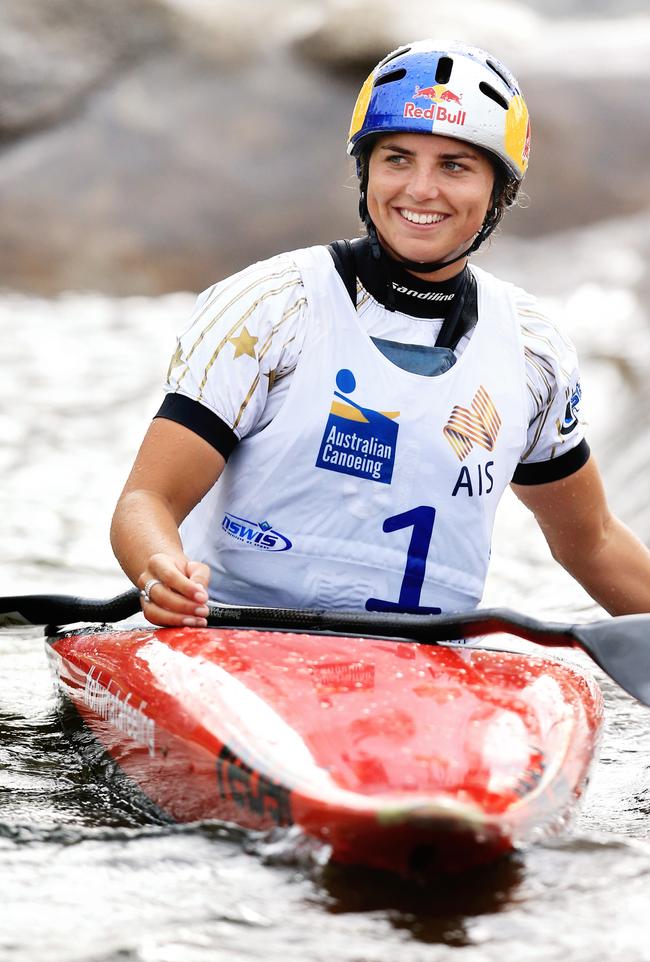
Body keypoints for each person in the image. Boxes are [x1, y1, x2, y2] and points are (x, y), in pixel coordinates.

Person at [110, 38, 650, 627]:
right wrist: (160, 568)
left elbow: (592, 541)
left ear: (499, 191)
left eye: (455, 165)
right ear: (366, 170)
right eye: (397, 159)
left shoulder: (532, 349)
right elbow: (148, 500)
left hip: (429, 669)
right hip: (237, 640)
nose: (421, 189)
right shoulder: (270, 306)